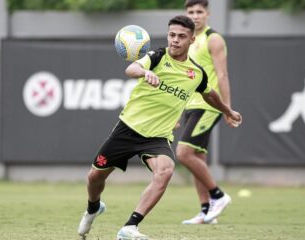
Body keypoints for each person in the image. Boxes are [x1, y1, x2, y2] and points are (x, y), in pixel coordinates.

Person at [77, 15, 242, 240]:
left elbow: (209, 93)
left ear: (192, 40)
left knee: (165, 171)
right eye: (172, 35)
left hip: (157, 137)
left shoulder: (196, 73)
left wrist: (227, 110)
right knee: (95, 178)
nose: (175, 40)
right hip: (128, 129)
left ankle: (130, 227)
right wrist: (145, 72)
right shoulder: (156, 56)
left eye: (181, 36)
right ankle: (93, 208)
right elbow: (132, 69)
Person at [176, 0, 234, 225]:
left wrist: (227, 107)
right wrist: (176, 112)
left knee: (184, 154)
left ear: (208, 14)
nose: (195, 15)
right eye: (190, 11)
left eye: (199, 11)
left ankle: (218, 196)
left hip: (209, 105)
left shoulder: (214, 39)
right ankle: (206, 211)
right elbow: (183, 79)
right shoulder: (188, 41)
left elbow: (222, 75)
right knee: (197, 157)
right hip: (190, 105)